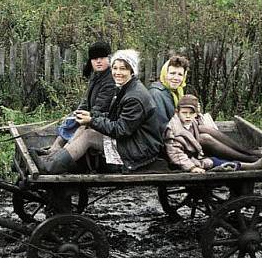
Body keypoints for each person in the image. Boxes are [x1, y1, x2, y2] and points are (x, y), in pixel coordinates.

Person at [34, 49, 163, 174]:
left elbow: (121, 130)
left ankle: (51, 167)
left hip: (139, 149)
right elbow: (114, 117)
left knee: (89, 136)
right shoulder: (125, 88)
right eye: (115, 68)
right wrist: (91, 116)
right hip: (132, 140)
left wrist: (92, 120)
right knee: (84, 127)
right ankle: (54, 158)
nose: (117, 72)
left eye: (123, 68)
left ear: (132, 71)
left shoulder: (134, 97)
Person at [40, 41, 116, 155]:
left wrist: (85, 116)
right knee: (70, 121)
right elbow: (86, 101)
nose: (98, 61)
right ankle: (53, 150)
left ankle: (62, 154)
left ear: (109, 59)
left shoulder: (110, 80)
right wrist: (77, 112)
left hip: (105, 121)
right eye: (95, 58)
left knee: (81, 126)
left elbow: (101, 107)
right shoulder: (96, 76)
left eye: (102, 57)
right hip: (93, 115)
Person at [164, 95, 262, 172]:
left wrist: (196, 109)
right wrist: (192, 167)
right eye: (184, 113)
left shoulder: (189, 121)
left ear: (195, 114)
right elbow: (176, 155)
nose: (188, 116)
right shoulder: (174, 131)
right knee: (217, 162)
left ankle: (249, 153)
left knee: (206, 130)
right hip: (188, 161)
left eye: (191, 113)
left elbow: (196, 120)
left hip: (194, 154)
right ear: (177, 113)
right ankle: (250, 164)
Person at [149, 55, 190, 130]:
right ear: (165, 74)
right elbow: (161, 127)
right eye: (172, 73)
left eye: (180, 74)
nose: (176, 78)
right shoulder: (156, 94)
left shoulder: (178, 92)